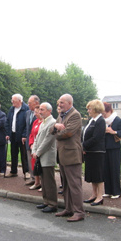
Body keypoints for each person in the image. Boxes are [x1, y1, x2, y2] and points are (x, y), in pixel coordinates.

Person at [51, 94, 85, 222]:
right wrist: (56, 127)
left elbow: (68, 133)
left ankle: (79, 212)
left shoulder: (75, 115)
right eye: (59, 103)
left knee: (74, 185)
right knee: (65, 184)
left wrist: (57, 131)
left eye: (62, 103)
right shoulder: (62, 115)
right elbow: (51, 129)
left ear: (70, 103)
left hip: (72, 155)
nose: (59, 105)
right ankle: (69, 208)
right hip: (62, 154)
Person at [32, 102, 57, 212]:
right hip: (40, 155)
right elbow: (37, 138)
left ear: (49, 111)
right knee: (43, 180)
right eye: (40, 109)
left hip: (47, 155)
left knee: (49, 181)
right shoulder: (43, 122)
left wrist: (38, 152)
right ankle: (46, 201)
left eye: (42, 110)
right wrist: (34, 150)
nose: (40, 112)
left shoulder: (52, 122)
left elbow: (48, 140)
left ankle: (52, 204)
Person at [82, 100, 106, 206]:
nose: (88, 111)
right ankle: (94, 194)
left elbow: (96, 138)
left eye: (90, 109)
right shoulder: (91, 120)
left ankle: (100, 196)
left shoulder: (100, 121)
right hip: (89, 151)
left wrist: (83, 145)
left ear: (96, 109)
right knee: (92, 174)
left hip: (97, 152)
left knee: (98, 174)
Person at [102, 102, 121, 199]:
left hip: (114, 148)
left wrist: (113, 132)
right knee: (106, 170)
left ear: (107, 110)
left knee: (114, 169)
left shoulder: (117, 120)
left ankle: (116, 192)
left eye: (102, 111)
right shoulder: (102, 121)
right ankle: (108, 191)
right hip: (104, 148)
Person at [5, 94, 29, 178]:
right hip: (13, 134)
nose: (12, 102)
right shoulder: (12, 109)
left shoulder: (26, 109)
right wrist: (8, 133)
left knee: (24, 155)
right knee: (13, 154)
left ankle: (26, 172)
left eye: (13, 100)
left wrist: (24, 135)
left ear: (19, 101)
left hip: (22, 136)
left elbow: (27, 124)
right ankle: (13, 171)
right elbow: (8, 121)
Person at [25, 95, 40, 185]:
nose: (28, 104)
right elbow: (26, 127)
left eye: (30, 103)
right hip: (29, 140)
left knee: (36, 161)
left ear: (36, 103)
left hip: (37, 142)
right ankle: (33, 177)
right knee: (30, 159)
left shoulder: (40, 113)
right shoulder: (27, 113)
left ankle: (38, 180)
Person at [28, 104, 43, 190]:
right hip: (34, 147)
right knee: (34, 165)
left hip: (40, 147)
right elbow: (31, 134)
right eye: (34, 112)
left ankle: (43, 184)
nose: (35, 114)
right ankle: (37, 182)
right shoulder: (35, 122)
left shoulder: (43, 123)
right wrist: (31, 144)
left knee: (41, 166)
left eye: (36, 112)